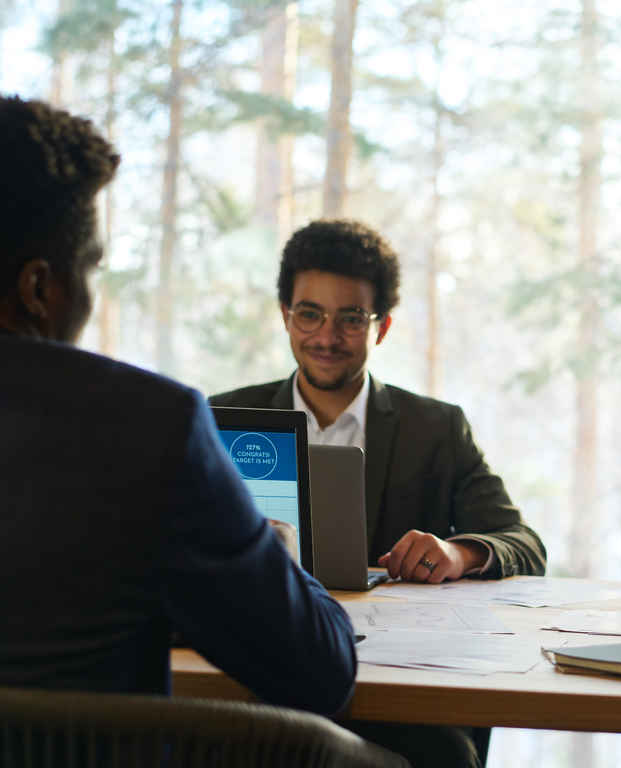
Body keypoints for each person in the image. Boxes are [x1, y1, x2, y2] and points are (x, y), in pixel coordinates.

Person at [0, 93, 403, 758]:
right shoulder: (148, 427)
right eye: (90, 267)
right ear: (40, 289)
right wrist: (273, 553)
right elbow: (320, 672)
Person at [209, 218, 546, 584]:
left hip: (392, 633)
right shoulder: (220, 419)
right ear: (285, 317)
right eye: (309, 314)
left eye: (351, 319)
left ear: (381, 328)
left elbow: (525, 545)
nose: (327, 337)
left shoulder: (436, 429)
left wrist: (459, 553)